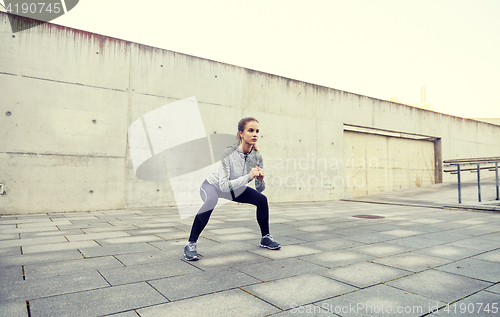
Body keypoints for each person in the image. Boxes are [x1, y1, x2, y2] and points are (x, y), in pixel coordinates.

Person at [184, 117, 281, 260]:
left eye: (257, 131)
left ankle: (265, 238)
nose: (255, 134)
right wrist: (248, 177)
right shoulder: (228, 154)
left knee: (262, 199)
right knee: (211, 200)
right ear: (241, 133)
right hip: (212, 186)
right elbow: (223, 185)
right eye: (250, 130)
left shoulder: (257, 157)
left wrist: (260, 180)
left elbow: (260, 189)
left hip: (236, 189)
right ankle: (190, 244)